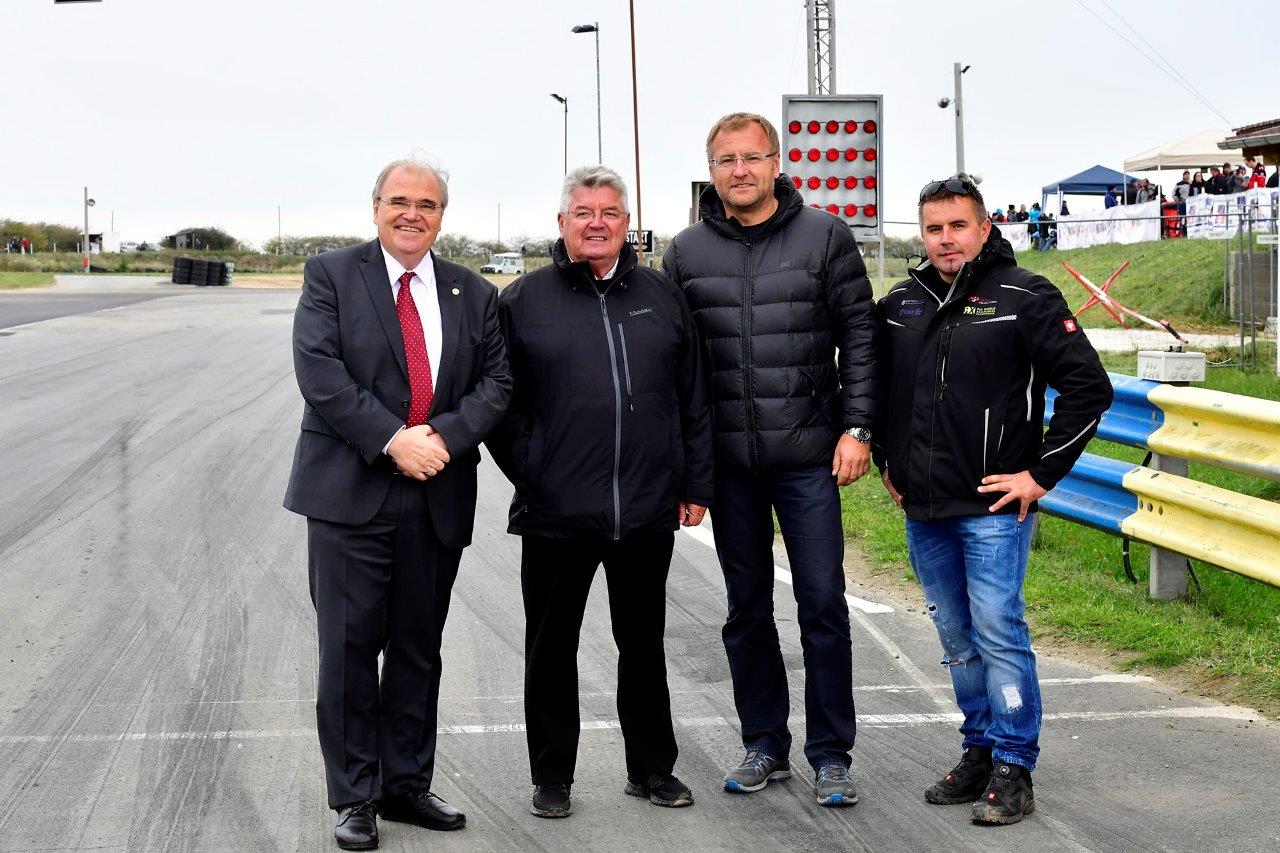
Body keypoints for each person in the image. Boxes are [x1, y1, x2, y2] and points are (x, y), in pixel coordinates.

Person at [285, 155, 513, 850]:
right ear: (376, 206)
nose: (412, 213)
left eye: (427, 203)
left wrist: (440, 437)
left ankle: (405, 786)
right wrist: (391, 440)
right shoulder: (331, 277)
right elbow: (319, 372)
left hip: (436, 494)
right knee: (350, 651)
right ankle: (355, 795)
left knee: (418, 649)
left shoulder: (471, 293)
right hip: (350, 494)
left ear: (443, 215)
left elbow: (499, 383)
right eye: (399, 200)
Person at [874, 174, 1111, 825]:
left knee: (999, 633)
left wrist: (1040, 475)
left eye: (957, 225)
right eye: (933, 228)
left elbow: (1088, 388)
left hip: (994, 510)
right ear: (921, 234)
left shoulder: (1024, 295)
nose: (945, 239)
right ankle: (978, 750)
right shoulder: (901, 301)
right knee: (957, 640)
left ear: (983, 227)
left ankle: (1014, 765)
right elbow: (871, 389)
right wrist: (882, 460)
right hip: (924, 510)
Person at [487, 165, 714, 820]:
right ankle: (552, 775)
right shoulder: (523, 302)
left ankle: (652, 768)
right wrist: (534, 472)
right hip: (555, 513)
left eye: (609, 212)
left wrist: (695, 479)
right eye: (582, 211)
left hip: (646, 508)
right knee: (550, 648)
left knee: (642, 645)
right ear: (562, 223)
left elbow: (691, 395)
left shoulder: (662, 297)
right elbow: (501, 408)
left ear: (627, 224)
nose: (595, 222)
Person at [663, 112, 876, 807]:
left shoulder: (826, 236)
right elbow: (676, 367)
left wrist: (859, 428)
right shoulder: (686, 252)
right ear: (712, 169)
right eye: (726, 160)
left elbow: (861, 337)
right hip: (731, 466)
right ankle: (764, 743)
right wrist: (687, 468)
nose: (740, 171)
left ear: (777, 162)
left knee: (821, 604)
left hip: (811, 457)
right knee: (746, 608)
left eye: (752, 157)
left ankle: (831, 753)